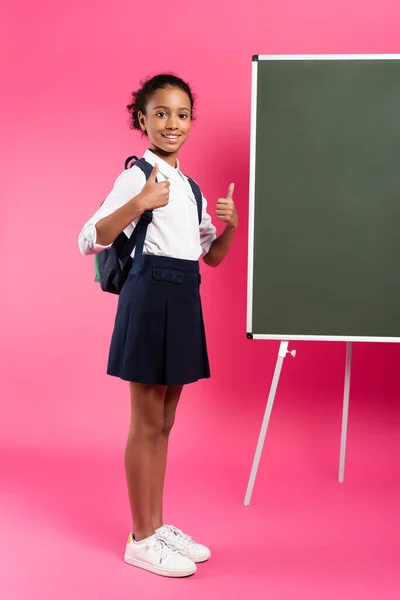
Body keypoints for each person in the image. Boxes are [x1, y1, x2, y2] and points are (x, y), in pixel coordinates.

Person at [78, 73, 238, 578]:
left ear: (192, 121)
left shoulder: (190, 186)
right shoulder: (135, 176)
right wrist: (140, 202)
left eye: (183, 114)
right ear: (142, 120)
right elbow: (89, 237)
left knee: (165, 423)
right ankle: (141, 537)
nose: (173, 123)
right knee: (146, 423)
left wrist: (229, 226)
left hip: (183, 298)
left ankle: (157, 525)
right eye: (162, 113)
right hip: (148, 301)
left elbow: (209, 257)